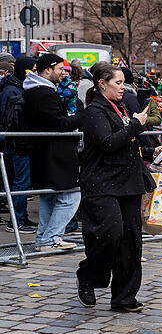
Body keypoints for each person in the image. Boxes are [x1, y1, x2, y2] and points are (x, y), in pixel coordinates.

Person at [76, 64, 154, 312]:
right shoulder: (95, 111)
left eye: (123, 83)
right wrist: (135, 124)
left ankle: (124, 296)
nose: (123, 87)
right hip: (101, 182)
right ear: (102, 84)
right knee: (109, 234)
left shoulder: (120, 107)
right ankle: (88, 275)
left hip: (128, 181)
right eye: (118, 83)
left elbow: (127, 143)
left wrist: (152, 151)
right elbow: (108, 143)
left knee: (131, 241)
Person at [22, 54, 82, 251]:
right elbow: (59, 123)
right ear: (47, 70)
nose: (63, 73)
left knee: (50, 196)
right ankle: (50, 237)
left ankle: (44, 239)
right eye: (59, 69)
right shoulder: (43, 92)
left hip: (47, 152)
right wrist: (81, 118)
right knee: (71, 196)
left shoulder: (37, 89)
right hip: (53, 153)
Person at [0, 56, 35, 230]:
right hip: (17, 143)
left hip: (17, 142)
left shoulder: (16, 87)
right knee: (20, 182)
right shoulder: (12, 90)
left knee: (21, 181)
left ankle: (21, 217)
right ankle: (17, 221)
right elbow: (9, 118)